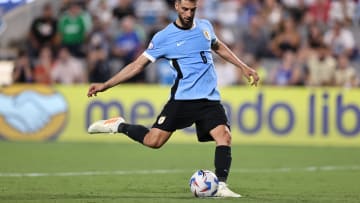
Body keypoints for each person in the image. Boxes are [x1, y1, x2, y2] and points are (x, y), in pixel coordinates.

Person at [87, 0, 259, 198]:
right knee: (154, 141)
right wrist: (105, 84)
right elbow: (137, 66)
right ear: (176, 6)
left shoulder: (205, 26)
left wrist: (244, 66)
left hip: (209, 99)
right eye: (185, 9)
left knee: (224, 136)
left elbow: (219, 47)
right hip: (183, 99)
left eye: (192, 10)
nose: (188, 14)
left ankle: (221, 185)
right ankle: (119, 125)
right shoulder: (163, 37)